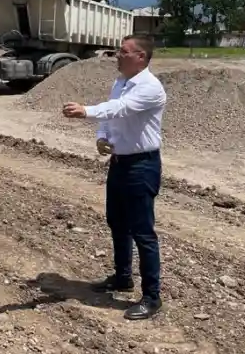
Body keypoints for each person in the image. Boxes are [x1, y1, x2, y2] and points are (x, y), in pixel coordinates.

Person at [61, 34, 166, 321]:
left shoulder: (150, 87)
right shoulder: (120, 83)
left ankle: (152, 297)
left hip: (142, 166)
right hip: (120, 163)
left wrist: (86, 111)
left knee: (143, 231)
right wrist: (102, 136)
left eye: (123, 52)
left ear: (141, 57)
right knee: (117, 222)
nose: (117, 56)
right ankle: (122, 277)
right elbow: (111, 116)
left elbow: (120, 108)